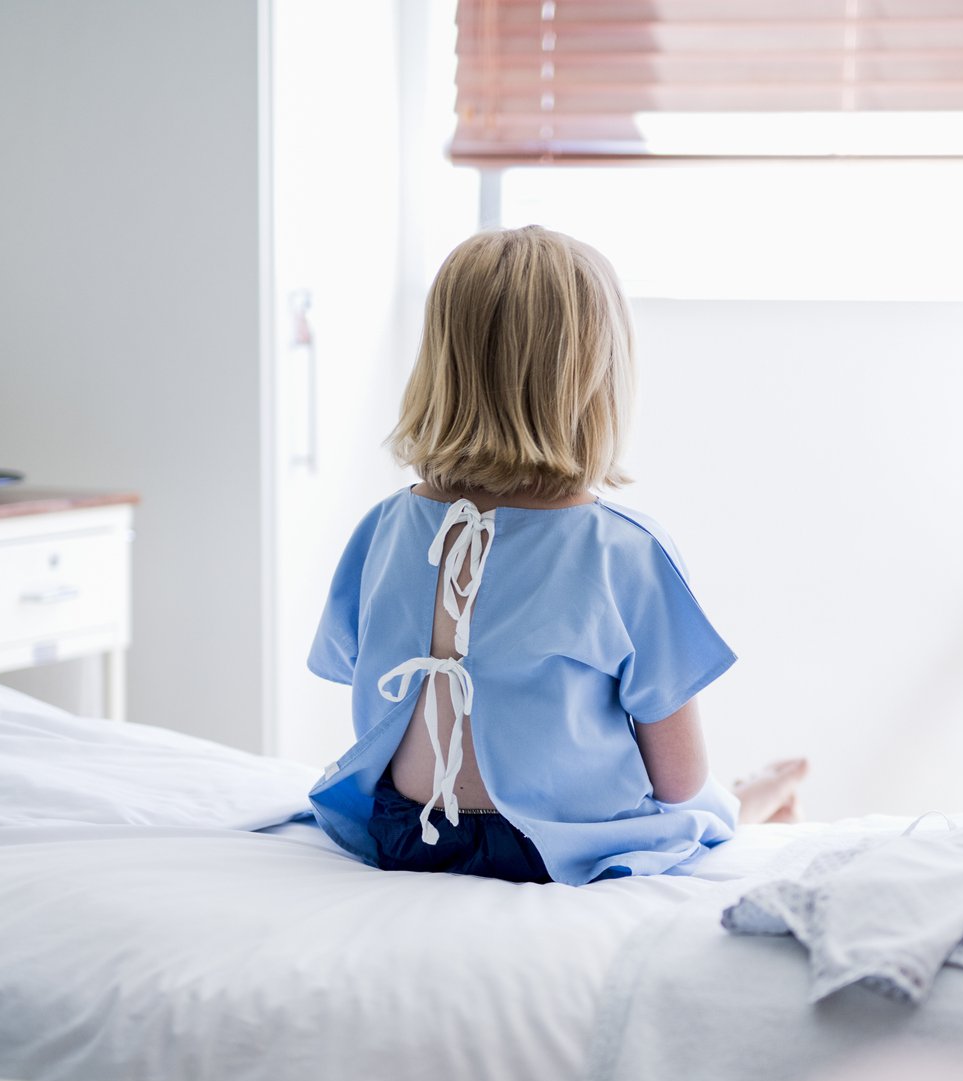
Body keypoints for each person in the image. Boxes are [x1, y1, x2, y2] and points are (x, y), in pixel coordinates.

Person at [306, 225, 806, 885]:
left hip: (408, 833)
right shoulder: (624, 550)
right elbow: (678, 779)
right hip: (550, 847)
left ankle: (755, 791)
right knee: (704, 808)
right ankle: (755, 795)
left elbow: (354, 671)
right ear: (596, 383)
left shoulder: (385, 527)